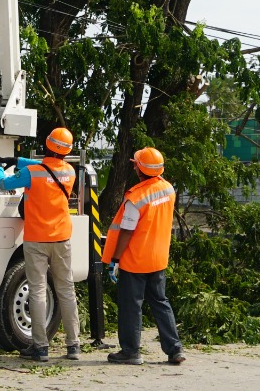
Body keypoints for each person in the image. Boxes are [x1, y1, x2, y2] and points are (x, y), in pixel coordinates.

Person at [0, 127, 81, 362]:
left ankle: (40, 348)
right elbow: (49, 166)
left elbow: (4, 184)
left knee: (38, 291)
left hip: (36, 239)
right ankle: (73, 346)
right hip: (62, 238)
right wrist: (19, 160)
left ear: (46, 144)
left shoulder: (33, 172)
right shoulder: (70, 172)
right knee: (66, 290)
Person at [102, 147, 184, 366]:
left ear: (139, 168)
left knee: (131, 305)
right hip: (158, 258)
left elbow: (127, 231)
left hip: (135, 260)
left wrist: (115, 260)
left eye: (136, 163)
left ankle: (130, 352)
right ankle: (175, 350)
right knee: (160, 302)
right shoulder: (168, 189)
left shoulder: (136, 197)